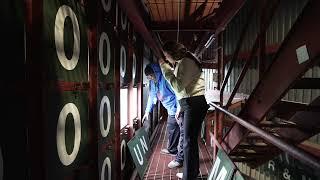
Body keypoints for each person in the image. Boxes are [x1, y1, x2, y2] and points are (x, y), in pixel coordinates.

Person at [159, 41, 209, 179]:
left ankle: (189, 176)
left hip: (194, 104)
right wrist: (180, 107)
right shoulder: (183, 62)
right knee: (189, 141)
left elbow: (179, 86)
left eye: (166, 55)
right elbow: (185, 91)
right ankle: (191, 173)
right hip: (189, 103)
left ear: (172, 53)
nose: (166, 58)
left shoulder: (186, 62)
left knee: (188, 141)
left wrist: (165, 69)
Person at [142, 63, 184, 168]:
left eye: (151, 76)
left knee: (184, 134)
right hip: (171, 109)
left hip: (178, 109)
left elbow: (178, 92)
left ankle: (180, 159)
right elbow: (152, 96)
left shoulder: (166, 80)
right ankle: (172, 149)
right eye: (148, 77)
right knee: (171, 129)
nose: (150, 78)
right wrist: (147, 111)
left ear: (155, 73)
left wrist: (179, 108)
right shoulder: (153, 82)